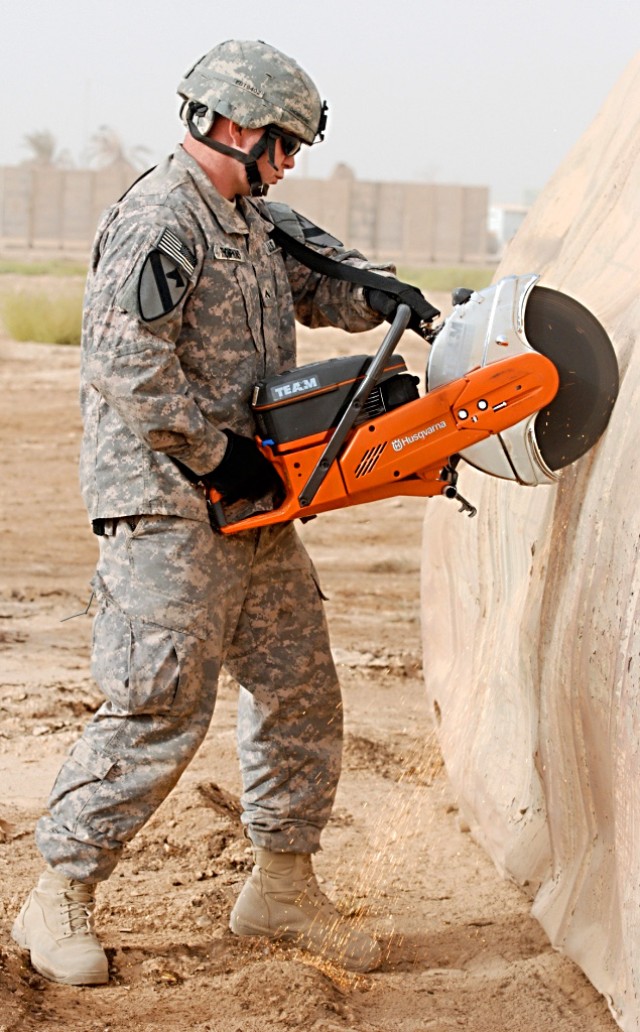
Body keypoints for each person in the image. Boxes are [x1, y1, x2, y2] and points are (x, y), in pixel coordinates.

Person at [12, 39, 439, 985]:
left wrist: (389, 300)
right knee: (159, 704)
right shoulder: (164, 219)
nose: (288, 163)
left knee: (298, 686)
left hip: (252, 505)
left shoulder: (253, 222)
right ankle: (58, 896)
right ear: (236, 124)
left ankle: (281, 887)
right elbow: (125, 364)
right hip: (169, 505)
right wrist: (219, 454)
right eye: (283, 144)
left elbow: (325, 284)